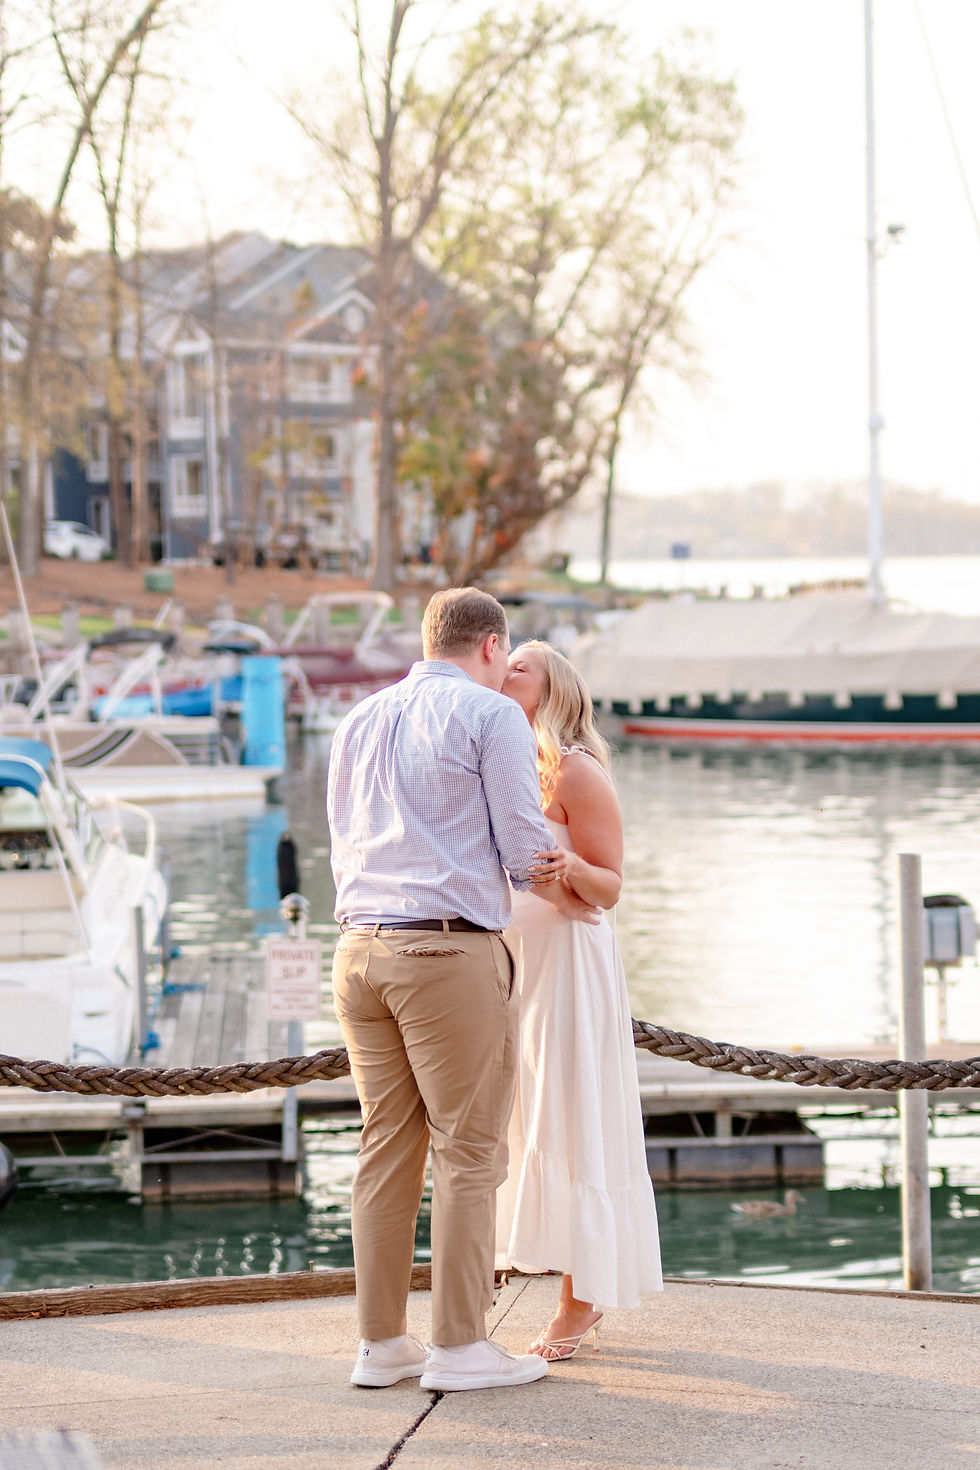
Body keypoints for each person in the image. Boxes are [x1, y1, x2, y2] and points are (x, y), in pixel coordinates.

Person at [327, 588, 599, 1393]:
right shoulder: (491, 719)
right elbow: (524, 849)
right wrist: (577, 879)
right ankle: (459, 1346)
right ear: (490, 648)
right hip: (446, 953)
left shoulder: (358, 718)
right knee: (470, 1152)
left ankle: (381, 1347)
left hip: (357, 951)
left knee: (385, 1148)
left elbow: (341, 836)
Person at [496, 639, 663, 1359]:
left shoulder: (577, 770)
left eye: (518, 667)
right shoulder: (513, 768)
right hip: (520, 967)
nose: (503, 673)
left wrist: (572, 866)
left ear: (554, 688)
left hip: (569, 966)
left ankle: (581, 1301)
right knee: (531, 1119)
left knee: (574, 1120)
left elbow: (611, 887)